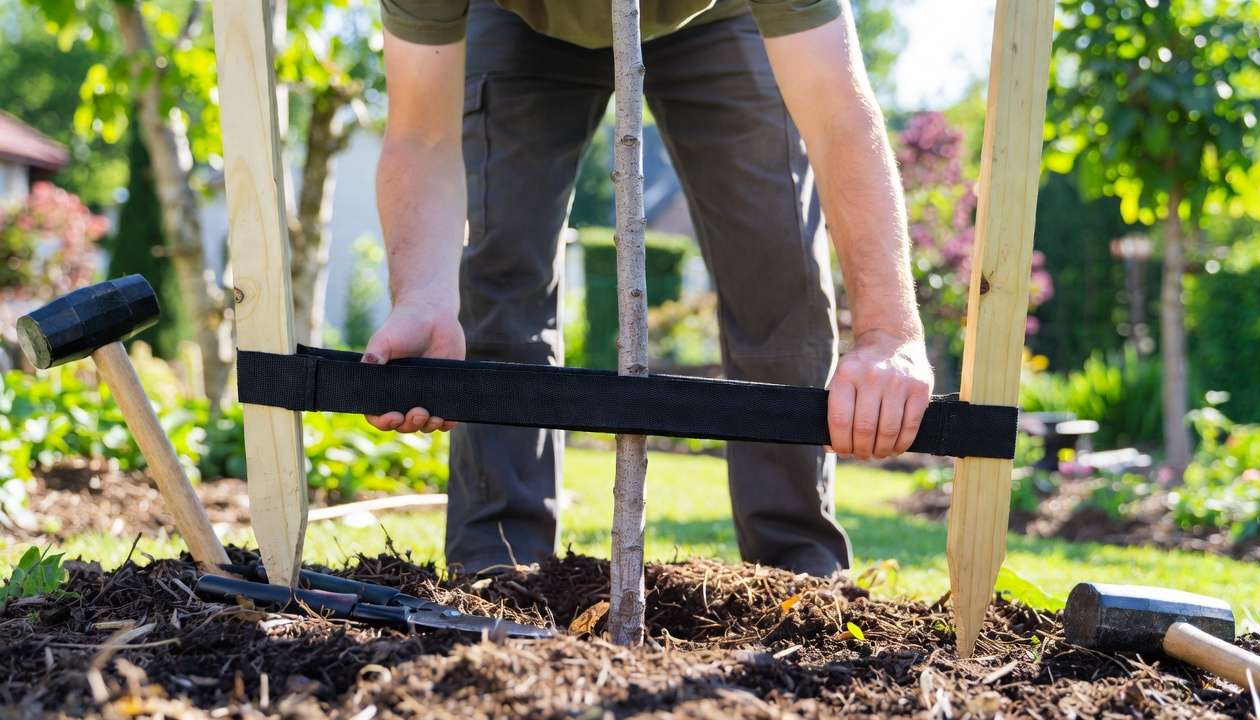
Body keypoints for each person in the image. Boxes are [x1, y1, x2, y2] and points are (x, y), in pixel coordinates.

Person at [364, 0, 934, 576]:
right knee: (499, 269)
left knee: (776, 267)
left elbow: (840, 117)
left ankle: (796, 573)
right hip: (517, 23)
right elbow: (420, 134)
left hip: (719, 17)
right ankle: (498, 568)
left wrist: (888, 332)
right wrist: (421, 298)